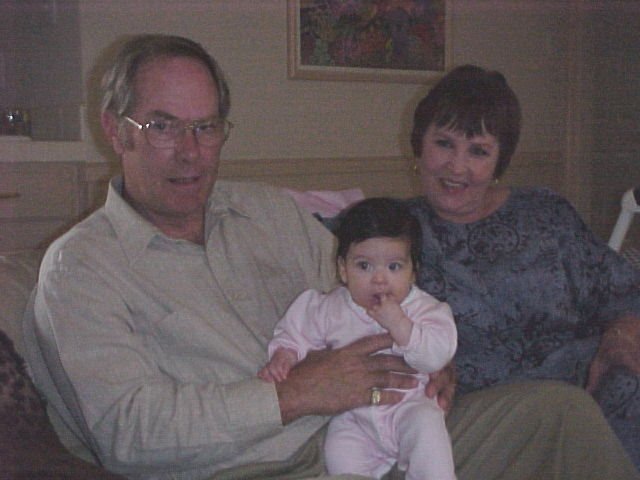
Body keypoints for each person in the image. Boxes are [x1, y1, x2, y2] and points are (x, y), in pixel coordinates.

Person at [21, 34, 639, 480]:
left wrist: (437, 361)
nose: (190, 151)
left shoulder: (266, 213)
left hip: (377, 428)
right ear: (115, 130)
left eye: (206, 127)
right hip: (258, 466)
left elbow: (376, 293)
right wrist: (295, 395)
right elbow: (127, 431)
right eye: (162, 126)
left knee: (560, 413)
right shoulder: (82, 268)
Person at [405, 64, 640, 471]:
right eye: (444, 143)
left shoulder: (546, 213)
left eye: (478, 151)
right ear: (419, 146)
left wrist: (620, 337)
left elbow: (623, 291)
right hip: (493, 420)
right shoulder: (391, 231)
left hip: (596, 388)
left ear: (499, 162)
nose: (457, 167)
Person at [259, 198, 457, 480]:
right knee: (339, 449)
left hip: (409, 407)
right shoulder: (329, 307)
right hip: (355, 416)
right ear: (343, 269)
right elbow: (297, 331)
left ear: (414, 271)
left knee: (428, 430)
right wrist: (285, 355)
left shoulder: (426, 310)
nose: (379, 279)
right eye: (364, 266)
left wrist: (400, 325)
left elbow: (436, 356)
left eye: (394, 267)